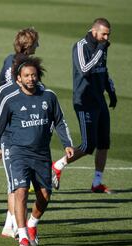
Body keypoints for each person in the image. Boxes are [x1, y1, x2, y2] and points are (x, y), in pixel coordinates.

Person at [0, 54, 74, 246]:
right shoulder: (11, 99)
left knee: (45, 196)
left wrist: (67, 143)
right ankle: (22, 235)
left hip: (42, 154)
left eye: (33, 75)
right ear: (18, 79)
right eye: (27, 76)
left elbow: (60, 121)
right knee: (20, 192)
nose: (31, 78)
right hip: (18, 153)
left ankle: (32, 224)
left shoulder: (49, 96)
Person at [52, 18, 117, 193]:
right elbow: (85, 69)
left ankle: (97, 182)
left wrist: (111, 92)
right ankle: (58, 165)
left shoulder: (102, 46)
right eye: (104, 34)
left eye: (108, 34)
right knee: (88, 145)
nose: (106, 37)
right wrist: (100, 49)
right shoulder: (81, 46)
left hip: (99, 100)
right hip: (84, 101)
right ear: (94, 31)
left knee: (104, 143)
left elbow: (103, 70)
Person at [0, 27, 39, 196]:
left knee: (2, 147)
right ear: (29, 45)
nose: (38, 46)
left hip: (4, 105)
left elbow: (0, 81)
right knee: (11, 145)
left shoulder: (9, 59)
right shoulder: (28, 66)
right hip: (15, 110)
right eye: (36, 43)